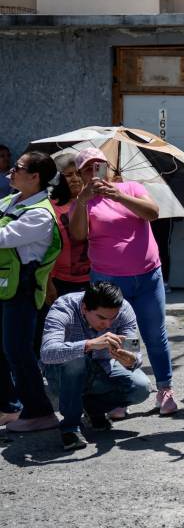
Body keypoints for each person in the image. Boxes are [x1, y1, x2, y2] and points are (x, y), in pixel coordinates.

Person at [69, 148, 178, 415]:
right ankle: (123, 393)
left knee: (155, 334)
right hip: (110, 280)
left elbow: (152, 213)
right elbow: (78, 234)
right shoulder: (82, 202)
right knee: (120, 337)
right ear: (80, 174)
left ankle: (164, 388)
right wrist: (83, 201)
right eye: (87, 168)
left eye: (99, 165)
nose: (94, 171)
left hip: (148, 275)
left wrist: (118, 195)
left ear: (108, 167)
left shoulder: (131, 187)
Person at [40, 283, 151, 449]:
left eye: (113, 318)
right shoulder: (63, 307)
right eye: (102, 318)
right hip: (62, 375)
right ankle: (70, 426)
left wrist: (130, 360)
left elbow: (134, 351)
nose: (108, 324)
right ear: (85, 308)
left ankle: (92, 409)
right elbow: (47, 353)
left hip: (103, 366)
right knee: (76, 359)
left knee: (141, 387)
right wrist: (89, 344)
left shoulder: (125, 309)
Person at [0, 151, 62, 432]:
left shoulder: (39, 214)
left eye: (18, 167)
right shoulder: (12, 200)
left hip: (22, 292)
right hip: (5, 287)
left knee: (18, 352)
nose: (11, 171)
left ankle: (40, 411)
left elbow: (3, 237)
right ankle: (9, 407)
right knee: (4, 350)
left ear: (35, 177)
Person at [49, 153, 90, 297]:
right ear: (57, 179)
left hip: (95, 278)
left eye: (78, 173)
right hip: (60, 282)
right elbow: (43, 250)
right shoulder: (49, 207)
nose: (75, 179)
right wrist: (48, 284)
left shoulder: (94, 201)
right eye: (68, 175)